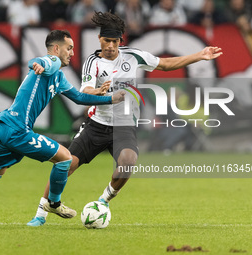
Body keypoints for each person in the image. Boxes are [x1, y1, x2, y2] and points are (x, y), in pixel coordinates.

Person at [27, 11, 223, 227]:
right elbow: (85, 91)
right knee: (67, 164)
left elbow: (165, 64)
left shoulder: (133, 56)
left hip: (124, 126)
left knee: (128, 163)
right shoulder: (92, 62)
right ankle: (41, 213)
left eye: (115, 41)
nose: (110, 45)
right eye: (107, 40)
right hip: (96, 125)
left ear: (120, 41)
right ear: (100, 39)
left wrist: (199, 55)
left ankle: (103, 201)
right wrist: (99, 93)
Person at [0, 29, 125, 229]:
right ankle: (53, 203)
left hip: (3, 126)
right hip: (17, 129)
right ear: (56, 48)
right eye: (69, 48)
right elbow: (42, 61)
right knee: (65, 158)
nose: (72, 53)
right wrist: (37, 63)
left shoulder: (59, 77)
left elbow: (79, 98)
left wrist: (104, 97)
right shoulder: (51, 63)